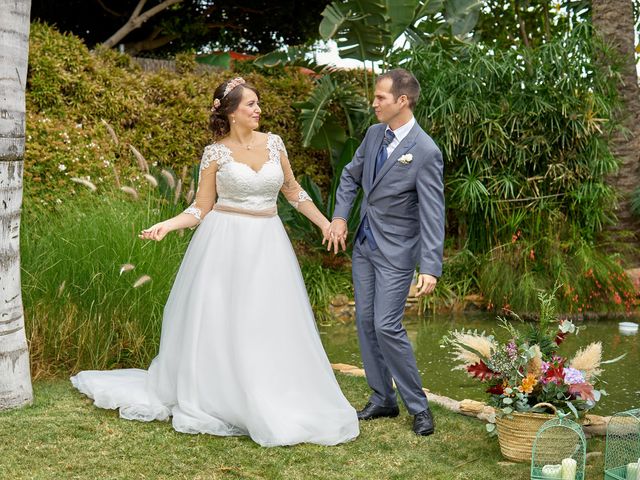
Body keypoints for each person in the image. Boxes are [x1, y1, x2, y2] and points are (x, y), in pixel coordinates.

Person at [71, 77, 359, 447]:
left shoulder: (274, 144)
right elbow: (200, 208)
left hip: (268, 243)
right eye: (250, 104)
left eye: (258, 104)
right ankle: (226, 394)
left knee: (268, 318)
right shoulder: (215, 153)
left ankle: (273, 388)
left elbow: (293, 192)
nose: (258, 110)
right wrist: (168, 225)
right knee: (228, 319)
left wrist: (325, 222)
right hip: (224, 243)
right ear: (231, 112)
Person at [325, 68, 444, 436]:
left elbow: (432, 212)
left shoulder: (425, 151)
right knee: (364, 322)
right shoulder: (375, 134)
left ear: (402, 101)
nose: (373, 103)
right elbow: (350, 176)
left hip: (397, 252)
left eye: (380, 98)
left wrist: (430, 266)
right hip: (364, 244)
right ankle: (383, 399)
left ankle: (419, 407)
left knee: (387, 326)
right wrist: (341, 216)